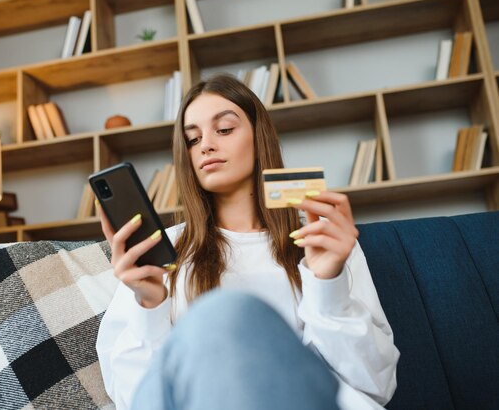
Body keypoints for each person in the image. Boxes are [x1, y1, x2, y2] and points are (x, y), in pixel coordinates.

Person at [95, 74, 400, 410]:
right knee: (225, 314)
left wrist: (328, 286)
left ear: (260, 136)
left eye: (224, 129)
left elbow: (374, 388)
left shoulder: (322, 240)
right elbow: (137, 401)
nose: (206, 145)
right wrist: (150, 306)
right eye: (192, 139)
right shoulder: (161, 250)